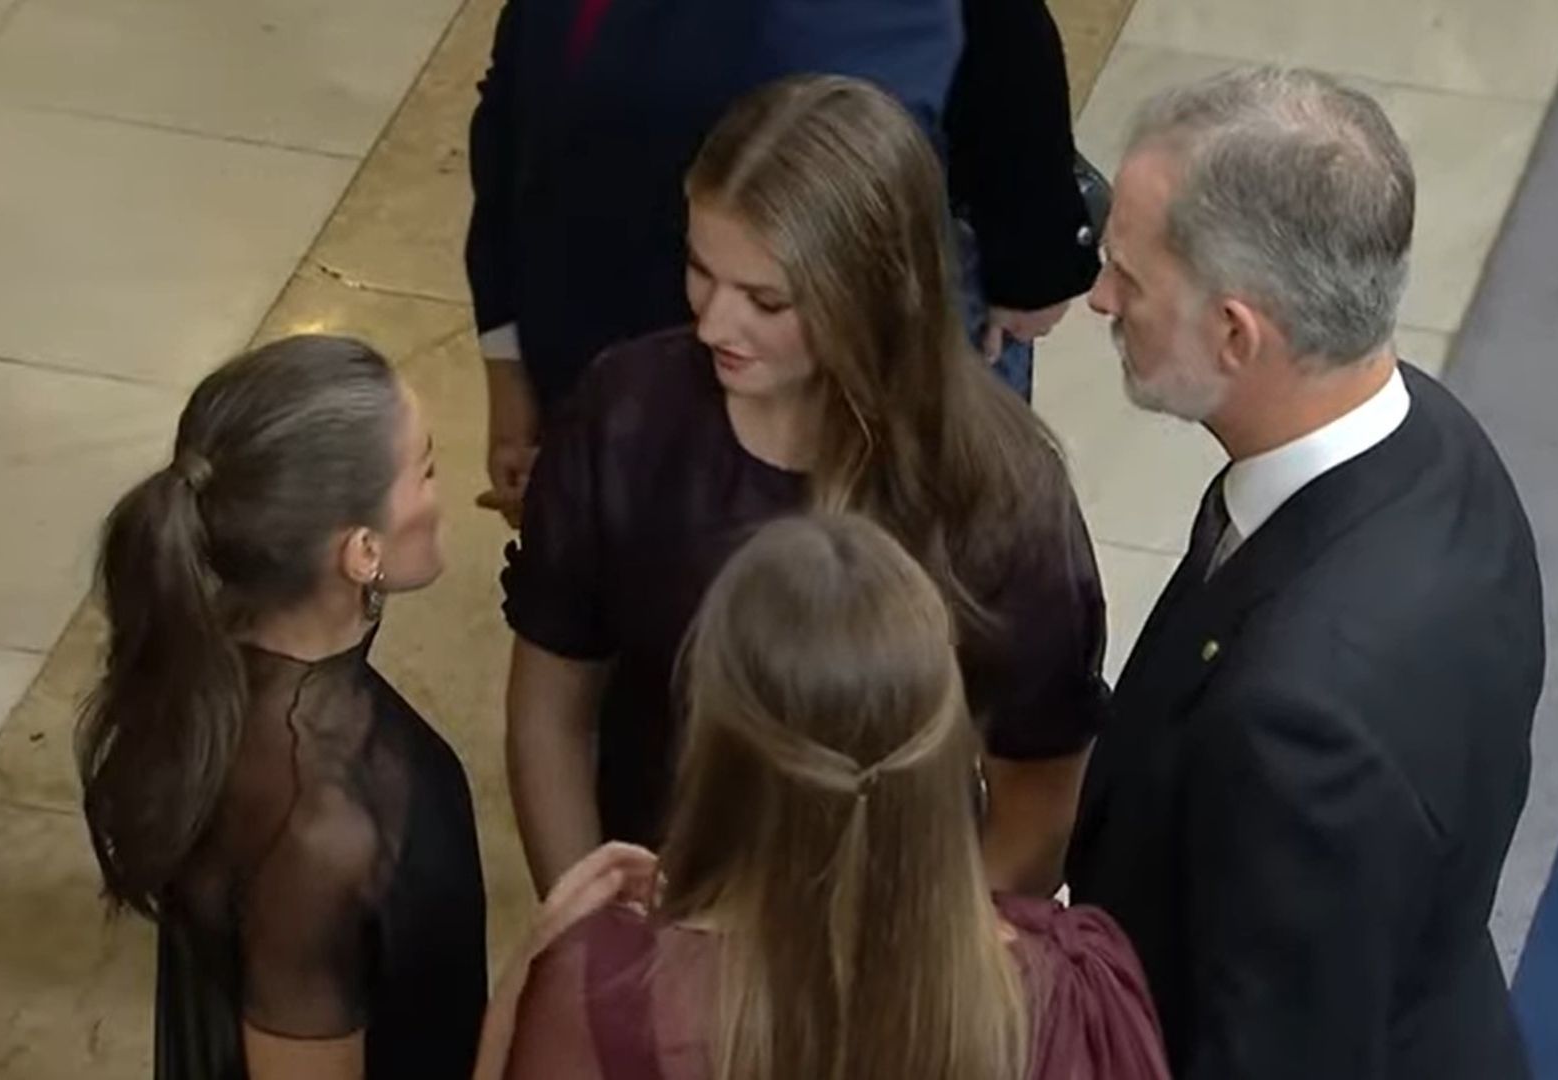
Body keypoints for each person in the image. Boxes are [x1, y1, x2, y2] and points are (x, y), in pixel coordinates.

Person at [501, 75, 1106, 900]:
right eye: (699, 269)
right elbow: (552, 700)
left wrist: (924, 979)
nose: (714, 324)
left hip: (894, 935)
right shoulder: (625, 415)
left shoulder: (999, 491)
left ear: (873, 294)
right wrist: (588, 927)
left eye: (766, 300)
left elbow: (1038, 801)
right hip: (662, 908)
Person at [1064, 68, 1545, 1079]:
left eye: (1131, 279)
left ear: (1237, 334)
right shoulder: (1436, 445)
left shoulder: (1296, 721)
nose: (1100, 298)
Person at [484, 513, 1171, 1080]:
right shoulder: (1073, 989)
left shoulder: (603, 996)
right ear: (950, 743)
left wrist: (527, 983)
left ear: (713, 746)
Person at [466, 0, 1099, 524]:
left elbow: (1006, 57)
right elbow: (514, 120)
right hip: (606, 392)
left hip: (837, 423)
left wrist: (1032, 255)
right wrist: (511, 365)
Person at [75, 337, 487, 1080]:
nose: (438, 489)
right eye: (424, 469)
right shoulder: (319, 829)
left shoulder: (205, 666)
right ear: (363, 551)